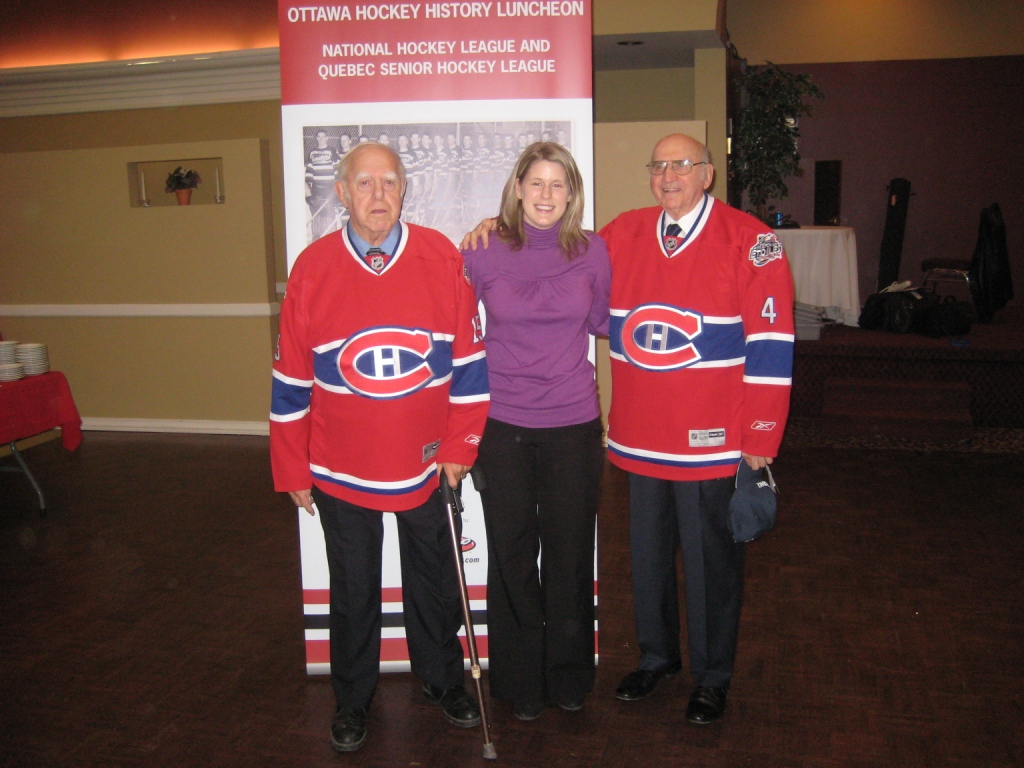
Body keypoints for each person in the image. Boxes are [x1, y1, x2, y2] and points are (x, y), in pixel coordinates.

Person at [464, 133, 794, 726]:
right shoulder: (622, 235)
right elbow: (546, 246)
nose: (669, 175)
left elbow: (771, 347)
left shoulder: (752, 242)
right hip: (640, 438)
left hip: (711, 441)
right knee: (646, 563)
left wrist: (759, 444)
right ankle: (657, 657)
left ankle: (712, 676)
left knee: (709, 564)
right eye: (659, 165)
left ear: (708, 174)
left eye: (683, 165)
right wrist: (496, 221)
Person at [271, 142, 491, 753]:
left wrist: (459, 447)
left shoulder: (441, 257)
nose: (378, 196)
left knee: (435, 582)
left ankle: (442, 679)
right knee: (353, 591)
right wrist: (291, 464)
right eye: (364, 184)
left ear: (403, 191)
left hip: (426, 463)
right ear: (341, 192)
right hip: (340, 466)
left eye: (389, 183)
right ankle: (352, 699)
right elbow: (290, 379)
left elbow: (471, 369)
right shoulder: (312, 268)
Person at [461, 142, 611, 721]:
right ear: (517, 187)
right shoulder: (480, 250)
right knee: (513, 556)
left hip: (573, 424)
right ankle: (520, 681)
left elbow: (602, 322)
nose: (547, 195)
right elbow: (450, 324)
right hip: (502, 426)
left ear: (572, 193)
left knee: (571, 557)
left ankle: (568, 675)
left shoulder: (593, 251)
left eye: (559, 184)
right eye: (537, 183)